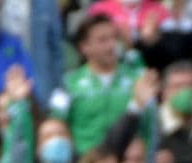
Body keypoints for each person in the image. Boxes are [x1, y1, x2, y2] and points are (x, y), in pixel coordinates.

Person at [49, 14, 157, 154]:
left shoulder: (137, 80)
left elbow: (151, 126)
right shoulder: (68, 83)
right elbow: (56, 125)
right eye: (102, 40)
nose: (111, 45)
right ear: (84, 47)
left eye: (114, 38)